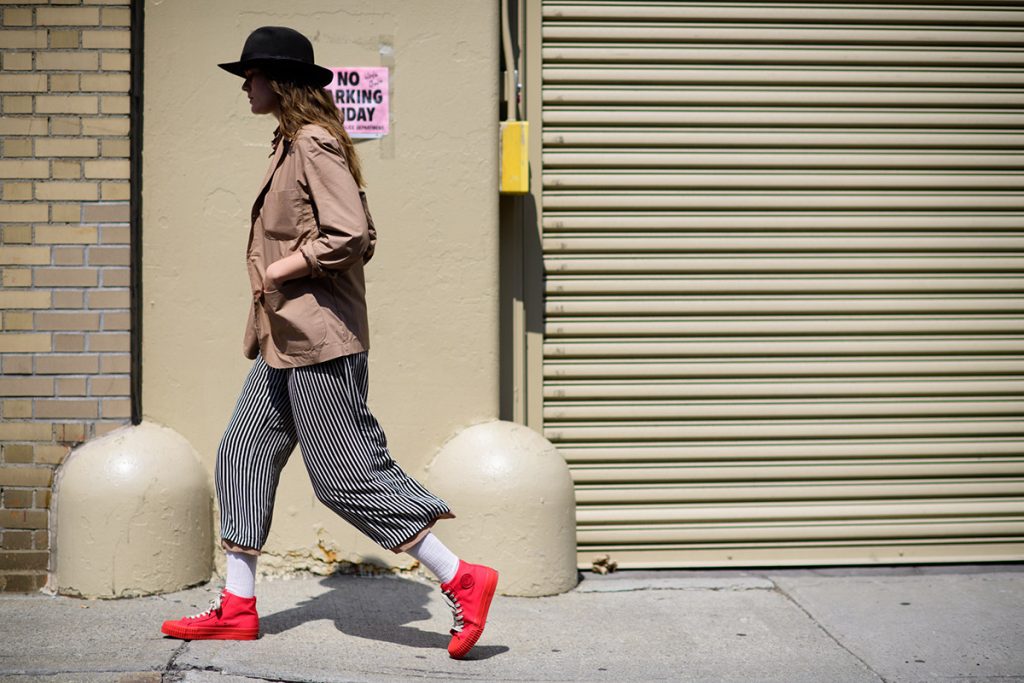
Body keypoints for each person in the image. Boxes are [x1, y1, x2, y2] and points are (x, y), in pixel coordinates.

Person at [159, 26, 498, 660]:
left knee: (344, 476)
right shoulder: (286, 145)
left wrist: (282, 269)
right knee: (243, 453)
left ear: (279, 83)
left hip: (320, 340)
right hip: (282, 338)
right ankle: (237, 606)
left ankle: (461, 576)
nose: (245, 87)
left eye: (252, 76)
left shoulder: (313, 142)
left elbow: (351, 233)